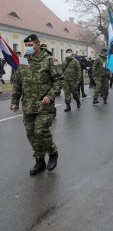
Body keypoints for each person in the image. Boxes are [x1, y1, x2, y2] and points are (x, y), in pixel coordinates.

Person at [10, 34, 64, 175]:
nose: (28, 48)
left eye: (30, 45)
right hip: (28, 106)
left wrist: (50, 95)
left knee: (40, 131)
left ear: (38, 44)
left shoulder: (49, 60)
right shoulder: (23, 63)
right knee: (31, 134)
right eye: (26, 46)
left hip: (44, 106)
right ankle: (39, 161)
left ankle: (52, 152)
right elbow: (17, 84)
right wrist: (14, 102)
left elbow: (59, 80)